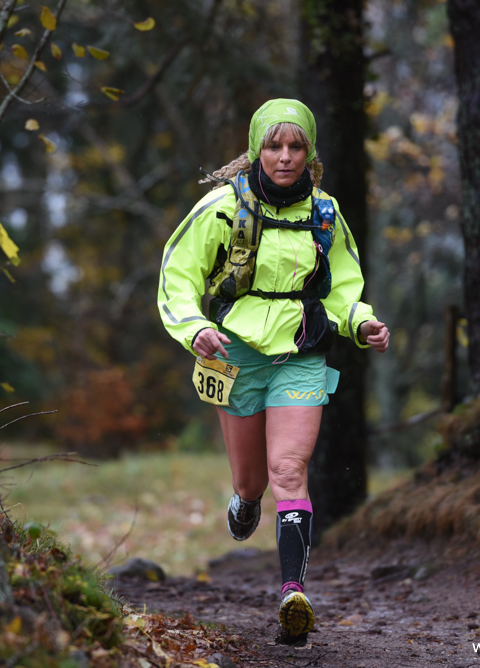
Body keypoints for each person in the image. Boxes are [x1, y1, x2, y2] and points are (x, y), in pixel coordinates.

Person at [157, 99, 389, 642]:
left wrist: (362, 323)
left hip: (301, 351)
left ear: (310, 152)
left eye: (296, 147)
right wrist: (195, 329)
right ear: (257, 148)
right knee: (254, 480)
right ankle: (244, 500)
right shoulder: (221, 207)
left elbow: (343, 290)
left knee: (289, 470)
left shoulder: (326, 214)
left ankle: (293, 594)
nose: (285, 157)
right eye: (274, 146)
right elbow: (178, 277)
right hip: (233, 352)